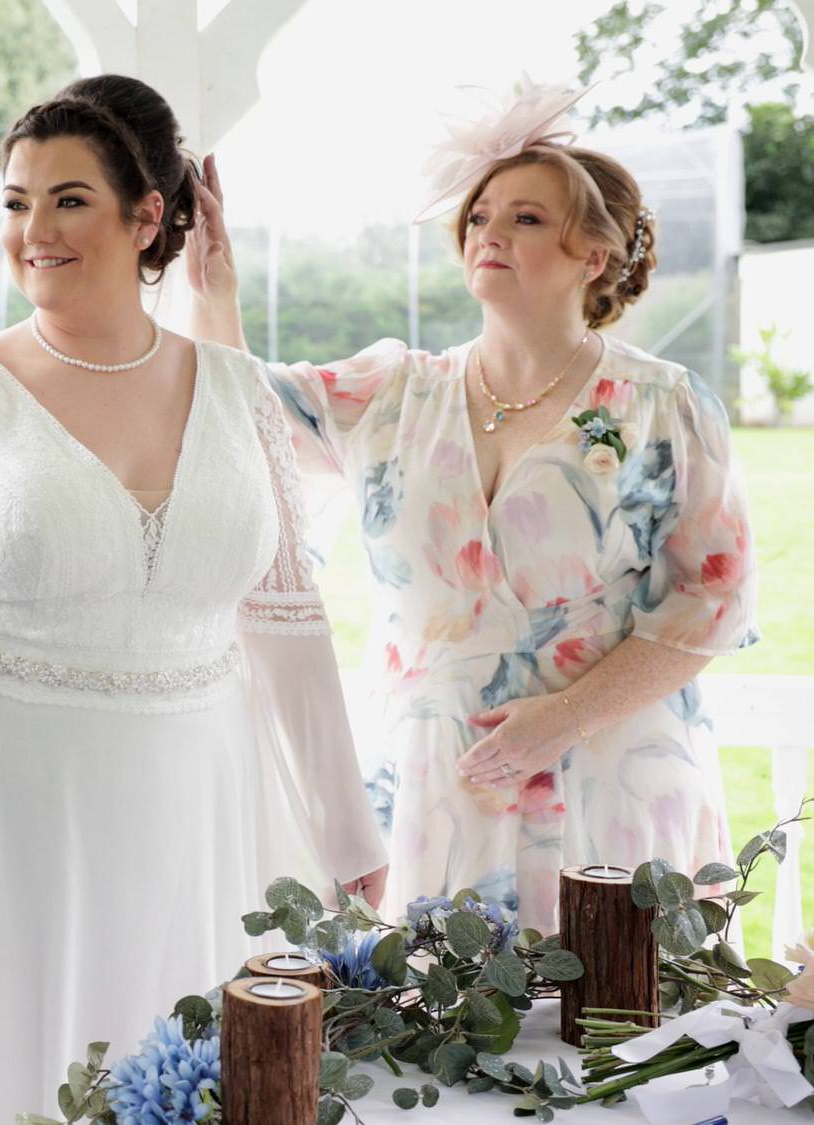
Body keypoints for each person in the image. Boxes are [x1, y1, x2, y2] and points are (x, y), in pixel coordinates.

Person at [0, 76, 388, 1124]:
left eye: (67, 199)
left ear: (146, 217)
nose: (32, 230)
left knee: (189, 1078)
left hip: (199, 815)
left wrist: (347, 839)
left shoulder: (238, 398)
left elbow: (287, 630)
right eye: (14, 202)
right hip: (2, 818)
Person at [187, 83, 758, 933]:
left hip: (609, 787)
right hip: (430, 789)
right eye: (481, 214)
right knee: (436, 1043)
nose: (490, 229)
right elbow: (234, 417)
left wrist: (562, 719)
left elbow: (714, 601)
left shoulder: (661, 405)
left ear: (593, 257)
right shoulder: (393, 391)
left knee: (616, 1038)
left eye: (526, 218)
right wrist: (213, 287)